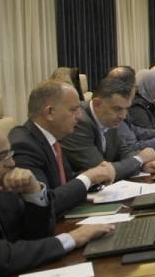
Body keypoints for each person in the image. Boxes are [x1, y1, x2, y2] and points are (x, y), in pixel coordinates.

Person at [0, 126, 114, 277]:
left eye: (10, 154)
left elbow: (38, 235)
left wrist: (33, 192)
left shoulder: (0, 188)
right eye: (2, 156)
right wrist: (73, 238)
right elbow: (1, 258)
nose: (12, 163)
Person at [10, 81, 115, 215]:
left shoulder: (52, 139)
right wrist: (88, 178)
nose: (80, 116)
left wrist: (97, 175)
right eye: (73, 110)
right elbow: (46, 202)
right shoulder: (24, 145)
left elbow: (65, 181)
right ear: (49, 112)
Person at [61, 77, 155, 180]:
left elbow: (122, 150)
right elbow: (101, 171)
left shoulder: (108, 118)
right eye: (118, 109)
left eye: (126, 109)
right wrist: (140, 159)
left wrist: (143, 165)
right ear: (97, 105)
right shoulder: (79, 122)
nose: (123, 116)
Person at [107, 66, 155, 153]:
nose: (136, 89)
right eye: (134, 85)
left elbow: (134, 130)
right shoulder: (135, 105)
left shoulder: (148, 100)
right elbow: (131, 147)